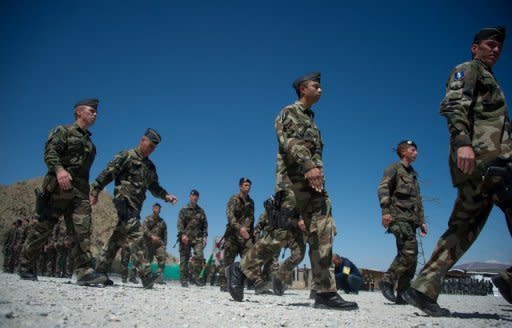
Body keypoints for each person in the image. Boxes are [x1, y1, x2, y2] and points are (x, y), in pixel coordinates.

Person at [403, 26, 512, 315]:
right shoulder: (468, 69)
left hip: (490, 163)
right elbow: (453, 104)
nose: (496, 49)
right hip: (486, 162)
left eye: (499, 46)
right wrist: (462, 141)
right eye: (490, 44)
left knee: (462, 228)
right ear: (475, 48)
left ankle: (422, 288)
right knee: (464, 227)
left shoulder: (490, 78)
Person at [229, 72, 357, 310]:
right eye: (315, 86)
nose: (321, 90)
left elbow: (317, 152)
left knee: (323, 231)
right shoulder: (288, 112)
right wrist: (308, 166)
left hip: (315, 186)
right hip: (291, 184)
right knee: (280, 235)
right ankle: (241, 268)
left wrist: (317, 170)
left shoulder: (313, 122)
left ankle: (324, 291)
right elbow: (288, 142)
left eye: (321, 87)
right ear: (302, 89)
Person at [18, 99, 106, 285]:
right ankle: (25, 264)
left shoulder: (91, 144)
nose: (95, 114)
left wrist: (91, 192)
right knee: (43, 228)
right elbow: (50, 152)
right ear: (79, 113)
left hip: (80, 194)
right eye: (91, 111)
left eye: (96, 111)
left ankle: (84, 272)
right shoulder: (63, 131)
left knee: (81, 232)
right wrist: (59, 170)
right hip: (59, 189)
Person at [90, 128, 178, 289]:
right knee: (136, 234)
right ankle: (145, 274)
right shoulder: (126, 156)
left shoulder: (150, 167)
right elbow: (108, 173)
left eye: (154, 148)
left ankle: (100, 271)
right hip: (123, 201)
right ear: (142, 140)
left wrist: (165, 196)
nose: (151, 149)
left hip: (136, 206)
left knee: (118, 237)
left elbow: (154, 187)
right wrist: (95, 190)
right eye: (150, 145)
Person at [377, 140, 427, 304]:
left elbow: (417, 200)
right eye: (413, 150)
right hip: (398, 217)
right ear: (404, 152)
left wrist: (422, 221)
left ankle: (403, 294)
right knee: (409, 252)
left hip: (411, 220)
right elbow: (383, 188)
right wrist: (385, 211)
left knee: (411, 257)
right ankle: (387, 280)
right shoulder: (394, 169)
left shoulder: (413, 174)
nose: (416, 153)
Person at [219, 178, 255, 292]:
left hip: (246, 236)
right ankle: (224, 283)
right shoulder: (234, 199)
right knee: (228, 260)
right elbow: (230, 216)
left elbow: (251, 218)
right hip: (233, 234)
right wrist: (240, 228)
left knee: (248, 258)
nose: (247, 187)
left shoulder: (251, 202)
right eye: (245, 185)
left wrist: (252, 235)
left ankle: (242, 282)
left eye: (249, 185)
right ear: (240, 186)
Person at [177, 190, 208, 287]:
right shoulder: (183, 209)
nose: (194, 197)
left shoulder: (201, 211)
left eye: (196, 196)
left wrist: (205, 237)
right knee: (184, 258)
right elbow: (180, 223)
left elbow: (205, 225)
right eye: (193, 195)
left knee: (199, 256)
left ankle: (195, 278)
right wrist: (182, 235)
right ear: (190, 197)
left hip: (197, 238)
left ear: (198, 198)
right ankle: (184, 280)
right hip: (185, 238)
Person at [142, 202, 168, 284]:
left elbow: (165, 234)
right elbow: (144, 229)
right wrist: (151, 236)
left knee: (162, 259)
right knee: (147, 261)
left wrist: (164, 245)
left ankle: (158, 278)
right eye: (155, 207)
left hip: (158, 245)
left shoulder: (162, 221)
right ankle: (146, 277)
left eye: (158, 208)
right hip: (148, 243)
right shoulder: (147, 219)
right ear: (153, 209)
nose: (157, 209)